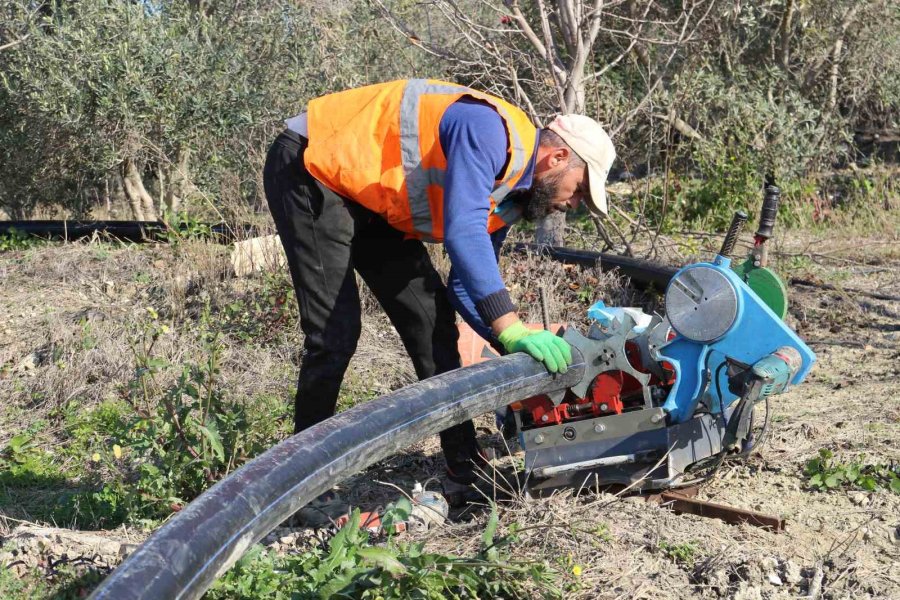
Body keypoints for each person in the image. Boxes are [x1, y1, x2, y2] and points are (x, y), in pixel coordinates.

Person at [263, 79, 615, 487]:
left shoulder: (512, 197)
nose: (572, 205)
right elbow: (462, 229)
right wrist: (512, 326)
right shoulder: (487, 130)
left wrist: (515, 345)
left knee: (432, 319)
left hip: (370, 200)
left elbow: (466, 286)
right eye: (579, 191)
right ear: (557, 157)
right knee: (335, 333)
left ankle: (464, 466)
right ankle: (300, 484)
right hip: (314, 166)